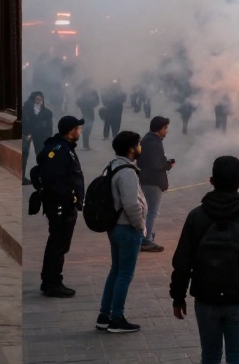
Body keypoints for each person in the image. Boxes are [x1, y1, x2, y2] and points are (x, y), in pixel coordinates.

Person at [169, 155, 239, 363]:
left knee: (210, 356)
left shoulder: (197, 216)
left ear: (211, 181)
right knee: (237, 357)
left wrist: (178, 297)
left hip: (206, 299)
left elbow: (182, 261)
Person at [96, 130, 147, 334]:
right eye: (139, 144)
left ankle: (104, 315)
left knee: (116, 271)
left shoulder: (113, 165)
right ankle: (116, 318)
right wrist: (139, 226)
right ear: (131, 149)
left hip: (116, 227)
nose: (140, 147)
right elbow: (131, 204)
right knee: (124, 275)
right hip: (126, 228)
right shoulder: (127, 172)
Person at [36, 115, 84, 298]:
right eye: (78, 128)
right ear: (70, 130)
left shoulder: (64, 148)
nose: (79, 131)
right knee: (58, 244)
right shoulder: (58, 150)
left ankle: (49, 279)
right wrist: (68, 198)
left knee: (58, 243)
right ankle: (52, 283)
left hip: (63, 204)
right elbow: (53, 180)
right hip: (60, 205)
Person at [138, 116, 174, 252]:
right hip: (153, 180)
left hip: (146, 178)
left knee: (147, 210)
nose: (166, 131)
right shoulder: (153, 142)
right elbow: (155, 163)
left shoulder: (148, 139)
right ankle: (146, 239)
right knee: (152, 211)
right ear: (159, 128)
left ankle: (146, 234)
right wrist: (167, 165)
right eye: (165, 128)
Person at [22, 91, 53, 181]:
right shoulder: (25, 109)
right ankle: (22, 177)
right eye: (37, 99)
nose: (38, 101)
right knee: (24, 155)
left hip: (40, 136)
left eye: (40, 99)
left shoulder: (47, 112)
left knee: (41, 155)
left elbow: (49, 127)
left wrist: (47, 137)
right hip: (26, 134)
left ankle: (43, 176)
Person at [75, 84, 99, 150]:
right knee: (86, 130)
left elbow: (96, 102)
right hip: (86, 114)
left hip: (89, 114)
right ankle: (85, 145)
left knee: (87, 130)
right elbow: (78, 102)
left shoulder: (92, 93)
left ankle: (86, 145)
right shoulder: (82, 95)